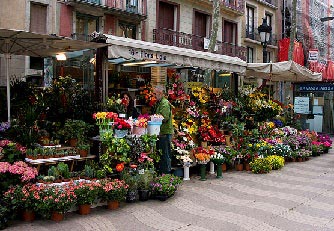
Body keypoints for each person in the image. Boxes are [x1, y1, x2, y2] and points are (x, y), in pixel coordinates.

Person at [152, 85, 173, 174]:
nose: (154, 95)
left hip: (165, 132)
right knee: (161, 154)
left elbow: (164, 117)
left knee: (165, 154)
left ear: (160, 93)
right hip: (161, 132)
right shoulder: (160, 103)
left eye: (155, 93)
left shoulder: (164, 103)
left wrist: (153, 118)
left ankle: (167, 175)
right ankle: (162, 173)